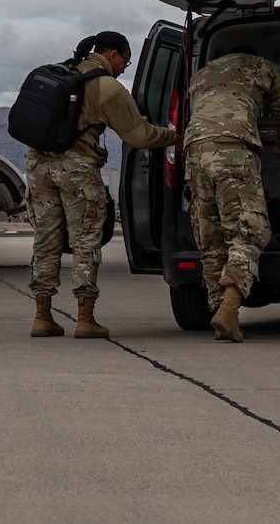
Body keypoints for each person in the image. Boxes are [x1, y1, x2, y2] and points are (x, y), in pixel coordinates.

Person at [27, 30, 177, 340]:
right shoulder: (107, 87)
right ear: (112, 55)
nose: (124, 67)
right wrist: (175, 136)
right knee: (85, 243)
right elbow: (139, 136)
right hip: (78, 171)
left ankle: (42, 317)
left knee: (45, 242)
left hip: (39, 168)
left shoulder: (59, 72)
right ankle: (85, 319)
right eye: (125, 61)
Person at [183, 45, 280, 342]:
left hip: (194, 153)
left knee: (211, 237)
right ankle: (230, 308)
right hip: (233, 151)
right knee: (248, 232)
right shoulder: (262, 66)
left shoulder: (202, 74)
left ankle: (216, 309)